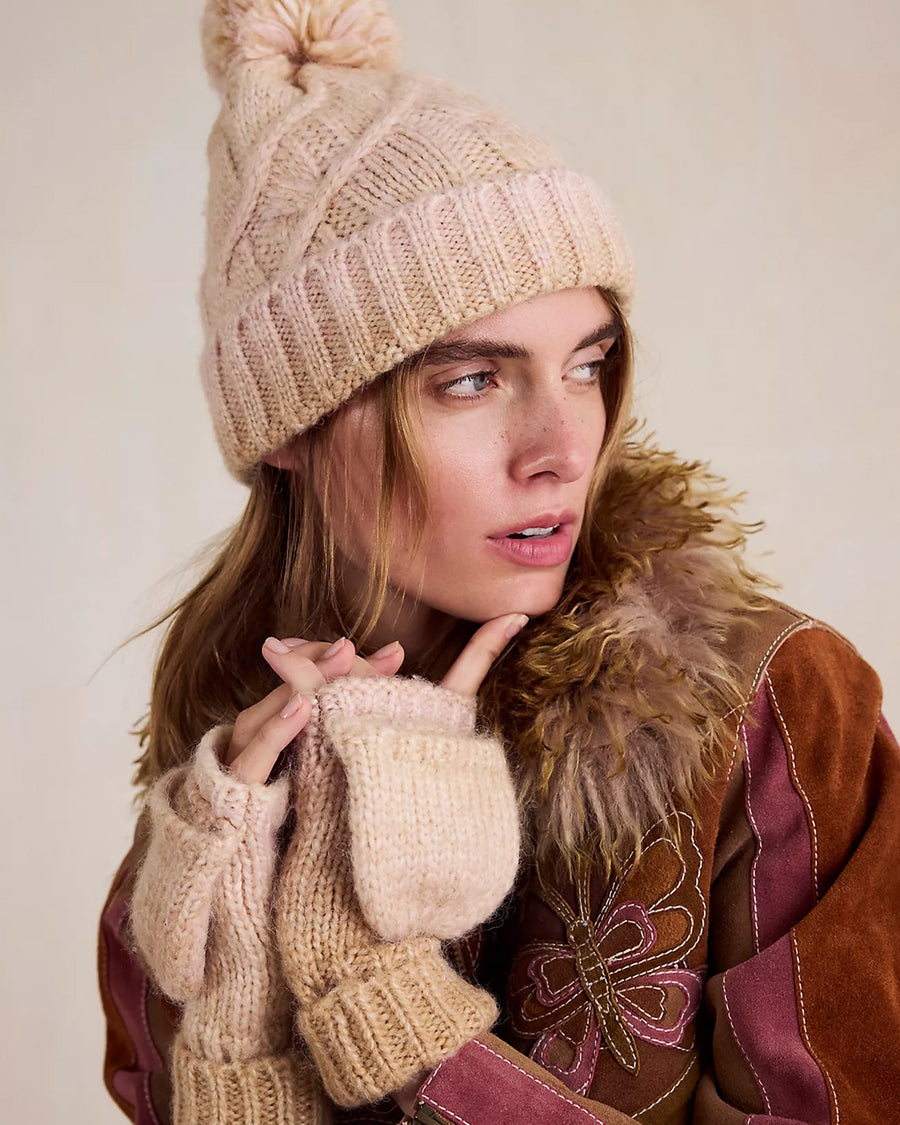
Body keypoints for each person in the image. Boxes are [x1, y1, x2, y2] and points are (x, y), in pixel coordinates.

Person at [97, 1, 900, 1123]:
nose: (564, 450)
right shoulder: (216, 814)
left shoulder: (772, 709)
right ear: (293, 423)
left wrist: (404, 1028)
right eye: (470, 380)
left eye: (587, 363)